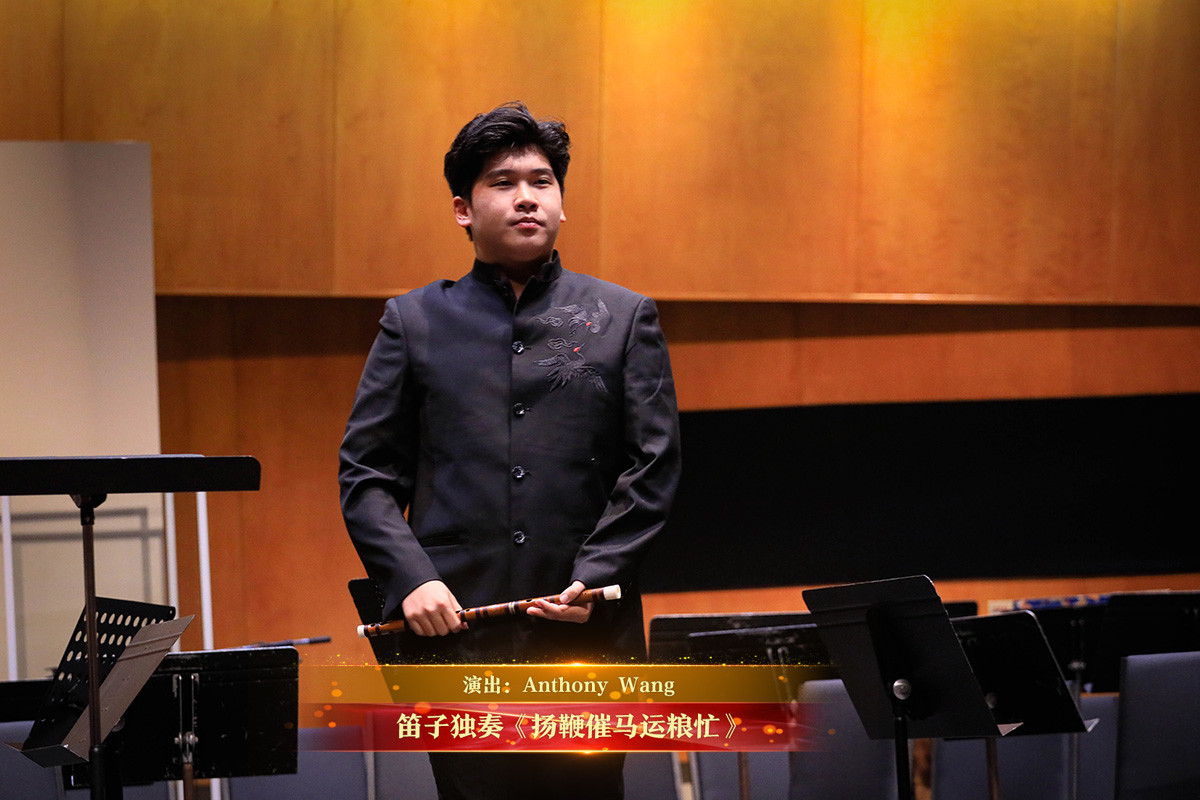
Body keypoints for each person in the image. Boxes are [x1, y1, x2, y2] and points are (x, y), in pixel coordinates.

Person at [338, 102, 681, 799]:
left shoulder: (623, 317)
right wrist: (411, 579)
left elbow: (653, 464)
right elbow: (367, 474)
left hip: (587, 635)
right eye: (503, 182)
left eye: (541, 181)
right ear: (463, 210)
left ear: (561, 202)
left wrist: (599, 574)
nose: (527, 197)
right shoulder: (412, 321)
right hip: (457, 640)